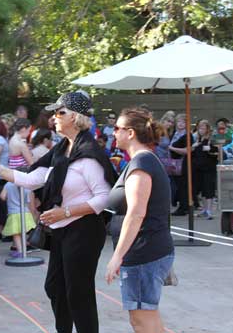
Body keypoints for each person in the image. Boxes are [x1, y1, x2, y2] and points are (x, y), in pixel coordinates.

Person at [0, 91, 117, 333]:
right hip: (62, 231)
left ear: (75, 117)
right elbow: (30, 179)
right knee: (55, 288)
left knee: (78, 293)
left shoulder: (89, 154)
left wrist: (65, 212)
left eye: (60, 112)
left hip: (84, 231)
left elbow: (104, 198)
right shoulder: (62, 149)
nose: (54, 117)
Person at [105, 107, 174, 333]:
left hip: (144, 253)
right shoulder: (142, 162)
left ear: (131, 133)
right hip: (146, 251)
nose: (114, 133)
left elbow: (136, 213)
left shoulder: (142, 164)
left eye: (117, 128)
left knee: (142, 321)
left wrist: (117, 256)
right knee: (148, 319)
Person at [0, 182, 36, 258]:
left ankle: (20, 251)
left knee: (16, 234)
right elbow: (30, 201)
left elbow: (2, 196)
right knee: (23, 232)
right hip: (25, 212)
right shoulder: (27, 185)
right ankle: (24, 249)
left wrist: (9, 197)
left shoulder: (8, 184)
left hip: (13, 213)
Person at [192, 120, 218, 219]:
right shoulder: (197, 138)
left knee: (209, 189)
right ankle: (204, 209)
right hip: (199, 168)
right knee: (202, 189)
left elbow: (217, 151)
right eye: (199, 128)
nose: (201, 130)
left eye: (203, 128)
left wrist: (210, 149)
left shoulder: (211, 138)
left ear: (207, 129)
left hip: (208, 168)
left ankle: (209, 211)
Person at [168, 113, 193, 215]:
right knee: (176, 184)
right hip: (172, 163)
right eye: (179, 121)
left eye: (183, 122)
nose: (181, 124)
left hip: (183, 163)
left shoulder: (187, 135)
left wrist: (171, 148)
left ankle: (184, 207)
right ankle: (178, 204)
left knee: (182, 185)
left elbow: (187, 150)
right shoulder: (173, 133)